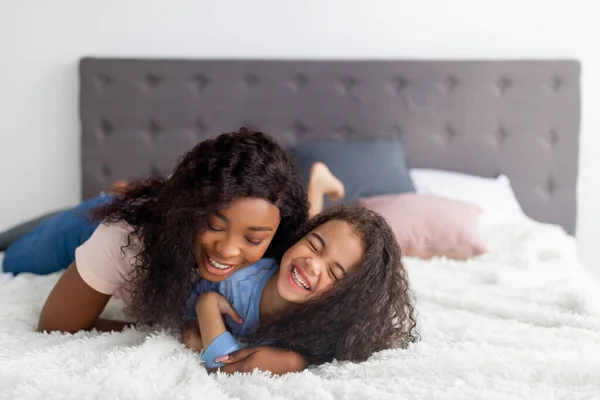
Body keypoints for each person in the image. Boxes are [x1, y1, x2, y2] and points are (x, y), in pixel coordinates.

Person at [34, 128, 312, 334]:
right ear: (190, 209)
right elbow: (55, 326)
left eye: (253, 239)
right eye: (214, 226)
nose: (227, 250)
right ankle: (120, 191)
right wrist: (173, 330)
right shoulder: (123, 239)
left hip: (163, 197)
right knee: (18, 256)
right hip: (89, 223)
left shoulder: (285, 252)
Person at [182, 206, 418, 373]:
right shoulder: (235, 283)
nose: (313, 265)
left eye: (335, 273)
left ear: (345, 299)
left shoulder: (320, 330)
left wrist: (297, 360)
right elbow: (220, 364)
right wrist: (208, 304)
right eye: (313, 245)